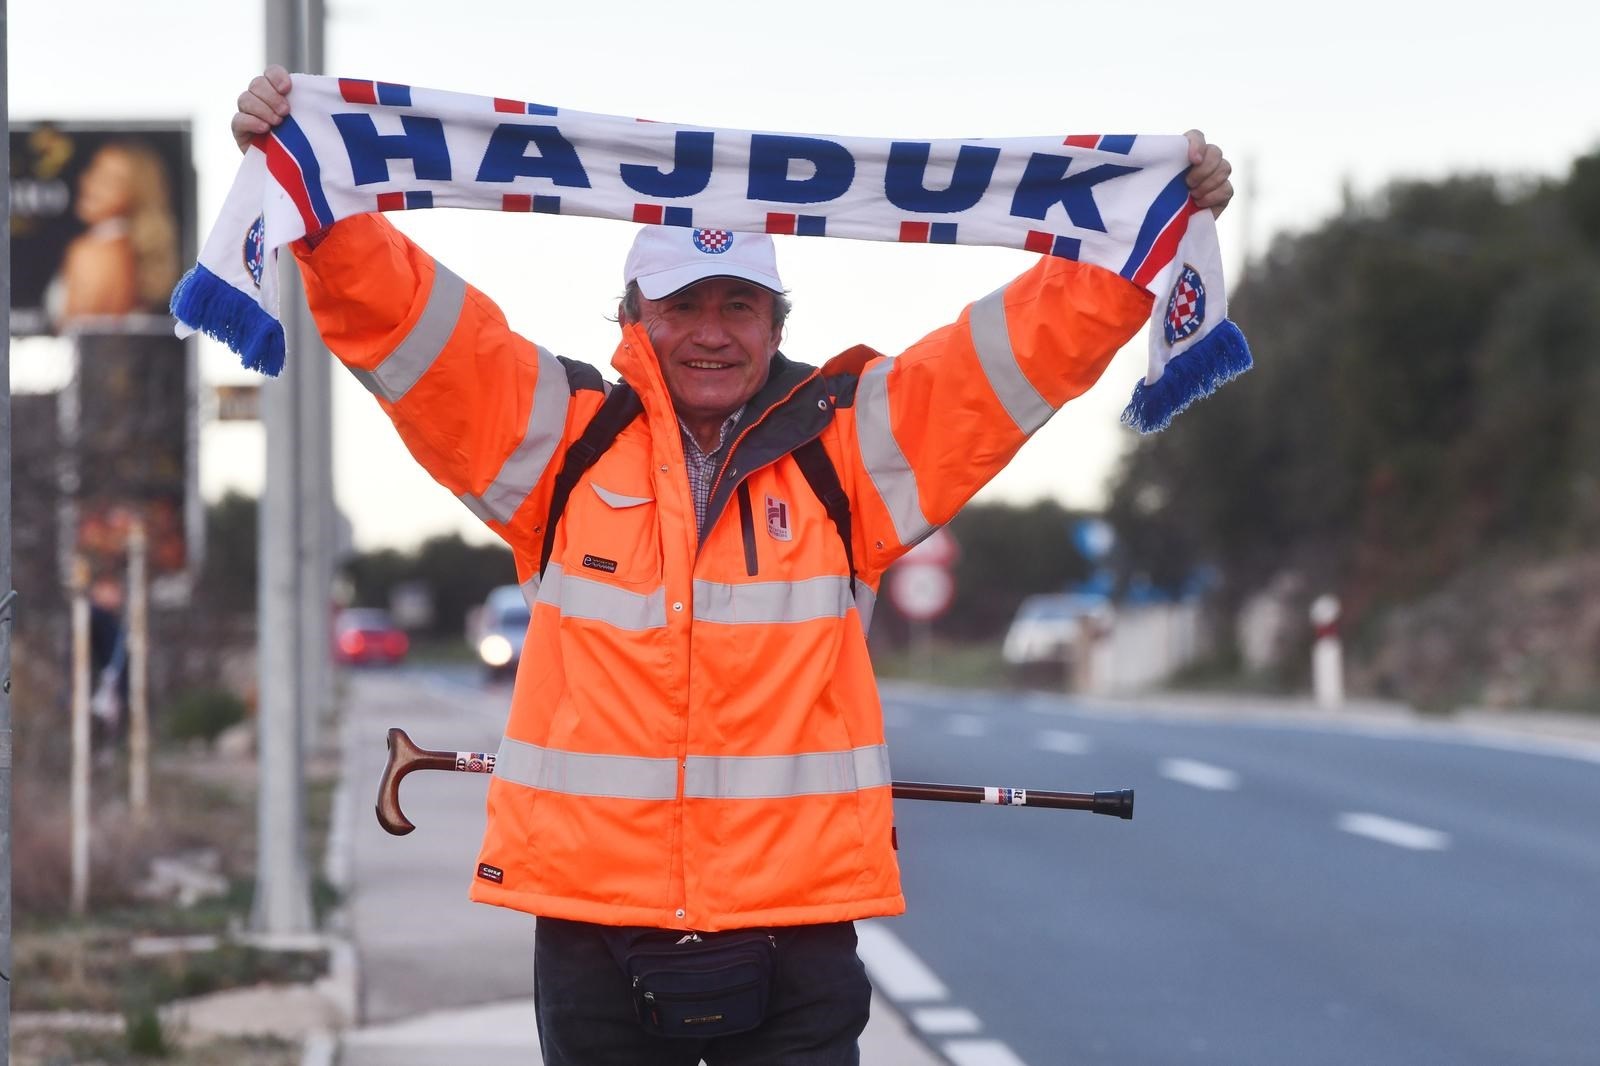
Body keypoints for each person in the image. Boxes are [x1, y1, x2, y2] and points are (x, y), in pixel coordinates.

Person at [233, 65, 1233, 1065]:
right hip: (594, 926)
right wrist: (317, 199)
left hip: (794, 928)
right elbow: (409, 322)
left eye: (740, 304)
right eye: (682, 304)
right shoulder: (559, 444)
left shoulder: (849, 454)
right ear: (634, 316)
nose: (711, 331)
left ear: (777, 323)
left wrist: (1136, 234)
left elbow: (1018, 352)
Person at [51, 139, 181, 325]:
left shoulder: (89, 252)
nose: (90, 185)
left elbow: (77, 333)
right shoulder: (134, 252)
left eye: (110, 181)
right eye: (93, 170)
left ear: (137, 194)